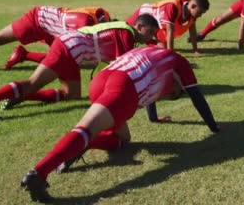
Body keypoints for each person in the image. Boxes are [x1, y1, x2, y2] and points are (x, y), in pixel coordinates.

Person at [20, 45, 220, 202]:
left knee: (123, 138)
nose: (169, 94)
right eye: (174, 92)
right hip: (123, 89)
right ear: (178, 82)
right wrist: (214, 127)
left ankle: (81, 146)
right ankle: (39, 172)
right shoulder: (180, 63)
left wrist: (154, 118)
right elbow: (197, 96)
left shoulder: (153, 52)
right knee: (86, 129)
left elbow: (149, 87)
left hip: (102, 79)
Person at [0, 15, 159, 119]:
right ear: (140, 26)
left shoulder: (125, 32)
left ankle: (22, 96)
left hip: (74, 51)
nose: (150, 37)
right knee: (33, 82)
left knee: (71, 95)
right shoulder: (126, 33)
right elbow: (127, 72)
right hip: (70, 47)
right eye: (150, 32)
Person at [0, 6, 111, 70]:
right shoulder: (84, 23)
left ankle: (24, 55)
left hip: (52, 29)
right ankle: (24, 55)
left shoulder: (102, 18)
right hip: (36, 20)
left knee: (62, 61)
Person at [125, 0, 209, 52]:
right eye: (200, 12)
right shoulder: (172, 7)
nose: (200, 15)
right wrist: (171, 53)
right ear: (193, 6)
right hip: (144, 15)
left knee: (162, 50)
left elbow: (192, 30)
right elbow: (170, 32)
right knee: (126, 32)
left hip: (156, 26)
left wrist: (195, 49)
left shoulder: (191, 10)